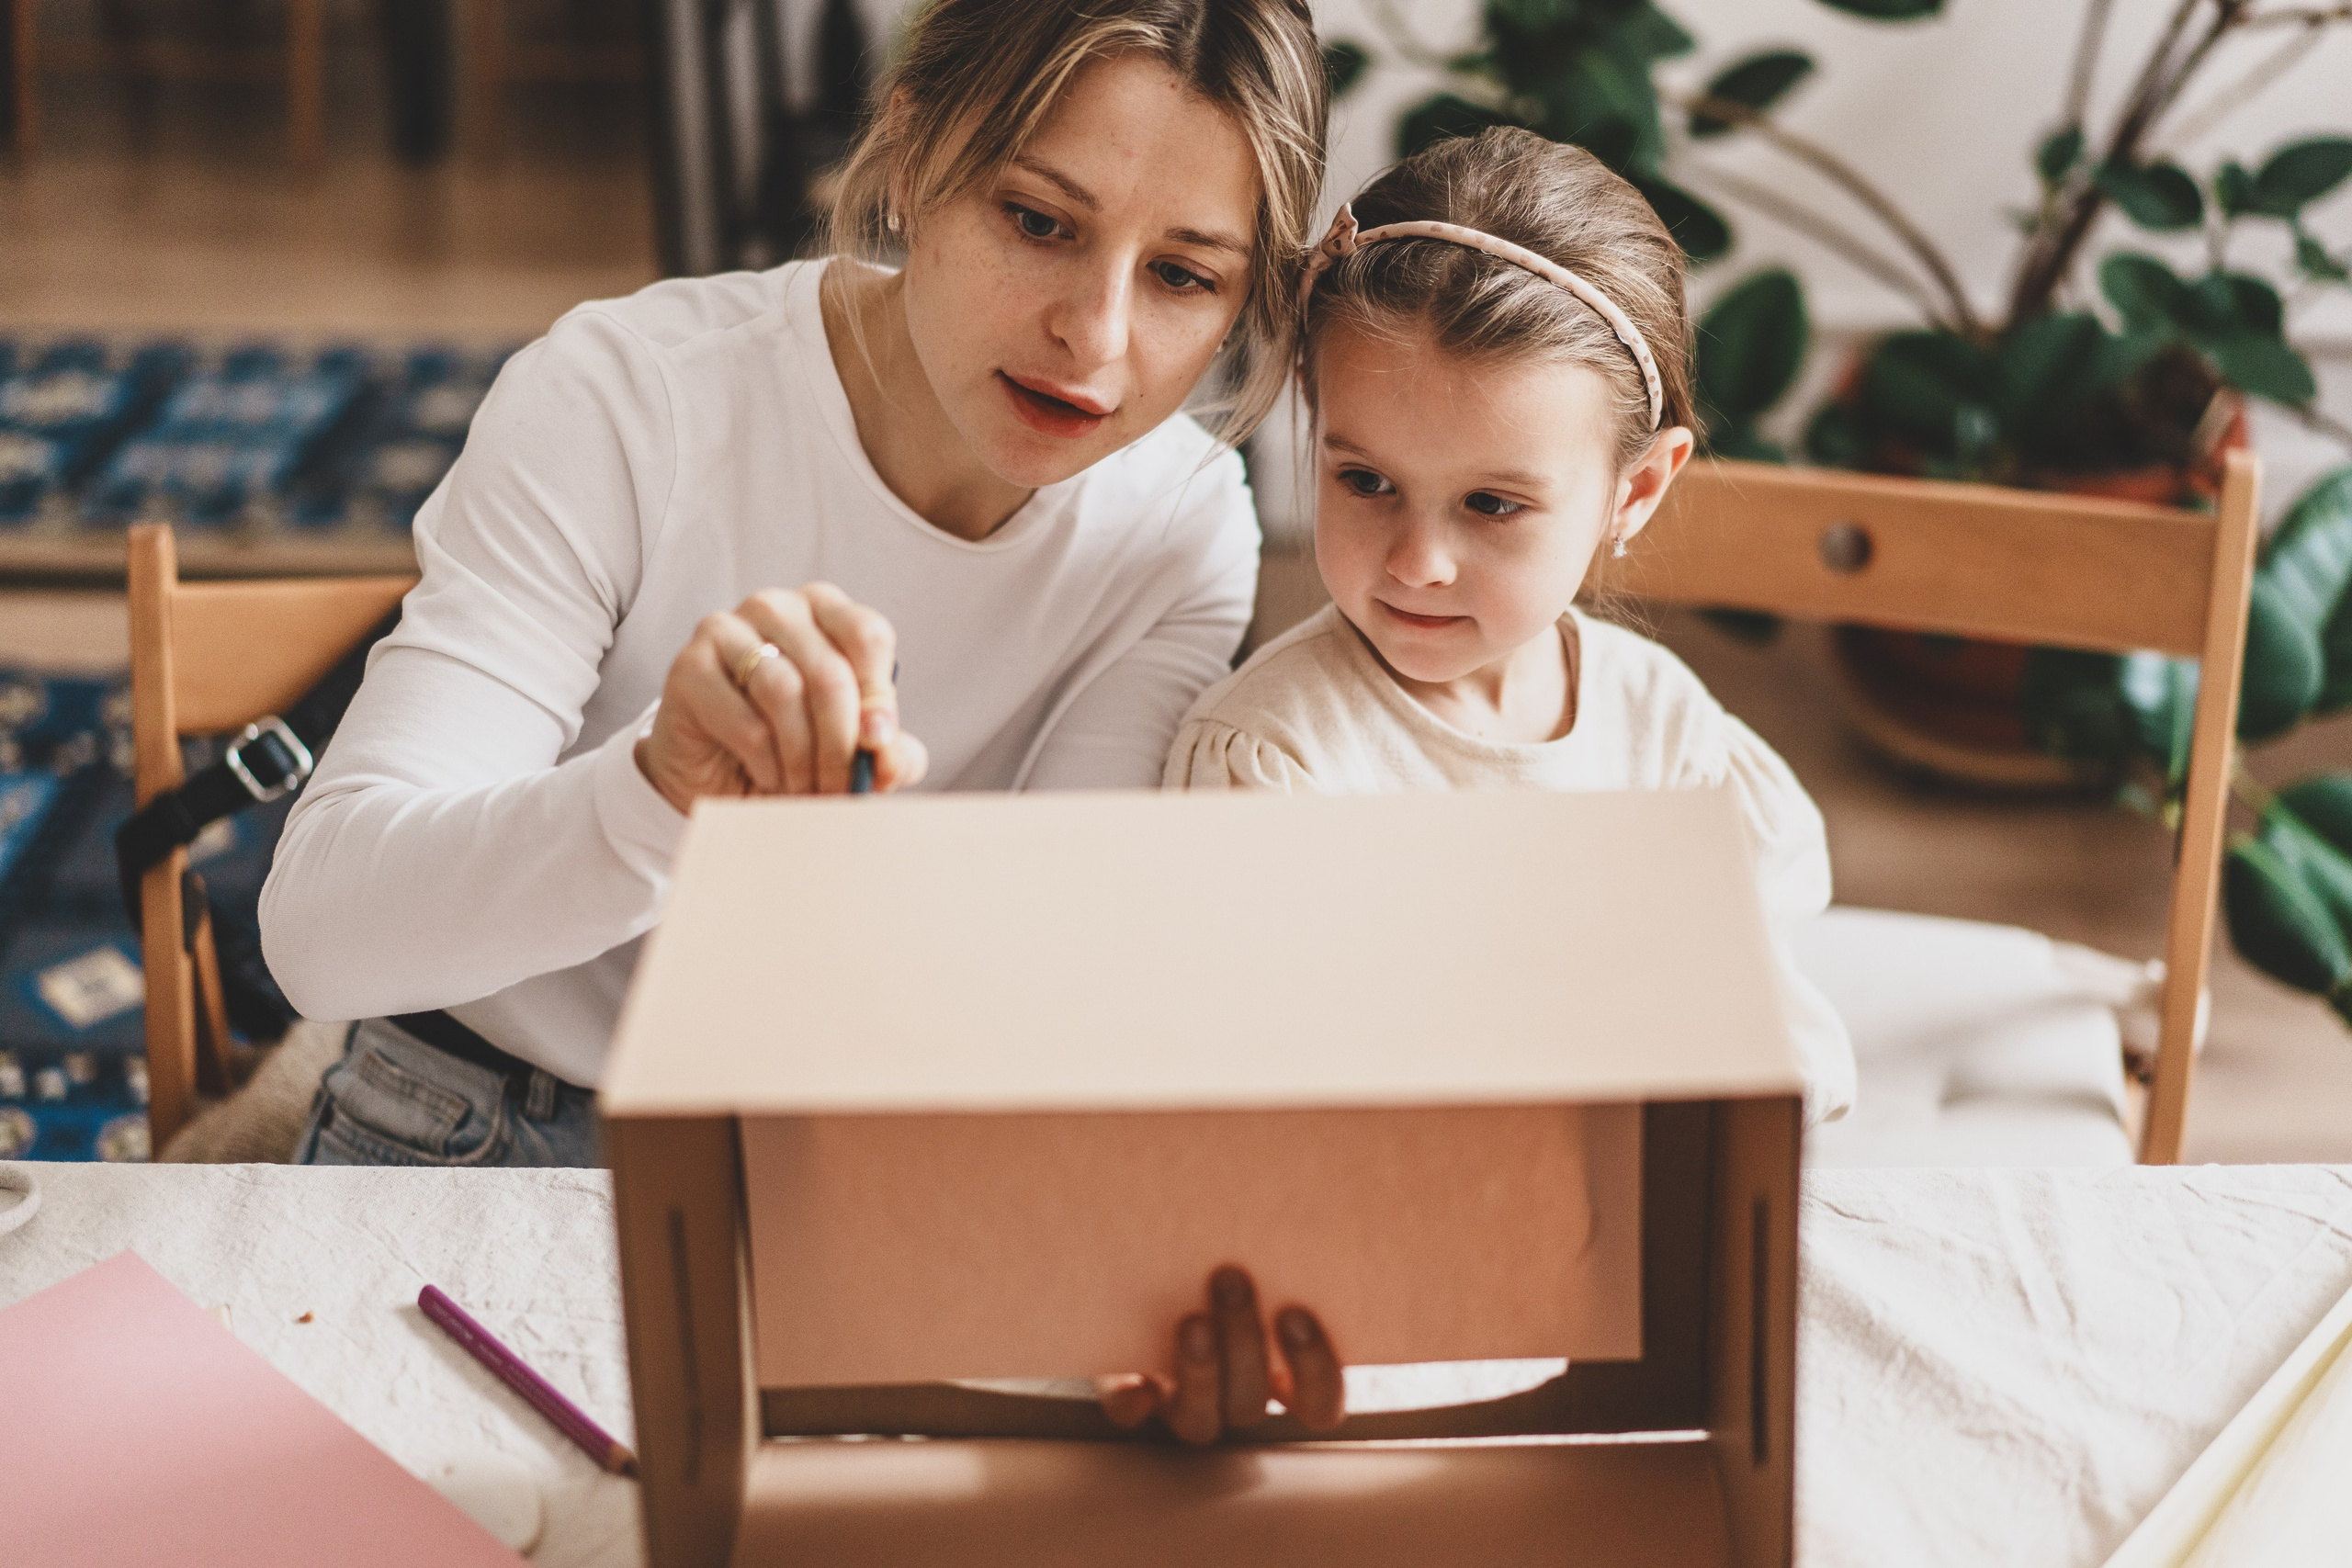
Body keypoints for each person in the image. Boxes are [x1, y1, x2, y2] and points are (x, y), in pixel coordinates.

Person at [260, 0, 1328, 1168]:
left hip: (849, 1152)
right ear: (913, 157)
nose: (1096, 334)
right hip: (478, 1111)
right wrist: (662, 794)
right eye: (1036, 220)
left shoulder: (1179, 529)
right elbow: (321, 937)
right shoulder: (629, 399)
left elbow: (1040, 977)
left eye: (1182, 276)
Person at [1167, 129, 1856, 1126]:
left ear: (1637, 489)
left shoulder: (1658, 722)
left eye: (1491, 505)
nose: (1417, 562)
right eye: (1365, 482)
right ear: (1313, 419)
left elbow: (1765, 990)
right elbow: (1269, 1085)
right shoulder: (1271, 761)